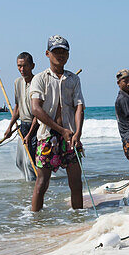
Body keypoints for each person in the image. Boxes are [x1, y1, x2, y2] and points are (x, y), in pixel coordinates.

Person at [29, 35, 85, 211]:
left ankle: (79, 221)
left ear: (68, 55)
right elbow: (36, 109)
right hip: (48, 136)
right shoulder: (40, 78)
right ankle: (34, 222)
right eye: (56, 51)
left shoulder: (73, 79)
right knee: (42, 183)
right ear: (47, 53)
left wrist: (77, 133)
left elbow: (79, 106)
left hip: (70, 138)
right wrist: (61, 130)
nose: (60, 55)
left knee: (76, 183)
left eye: (63, 51)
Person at [3, 51, 39, 180]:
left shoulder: (38, 82)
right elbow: (17, 107)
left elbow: (38, 113)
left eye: (25, 66)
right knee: (19, 162)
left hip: (36, 127)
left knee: (31, 163)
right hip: (23, 127)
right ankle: (29, 187)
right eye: (19, 66)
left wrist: (29, 135)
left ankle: (35, 191)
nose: (22, 69)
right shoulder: (17, 82)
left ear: (32, 66)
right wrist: (10, 127)